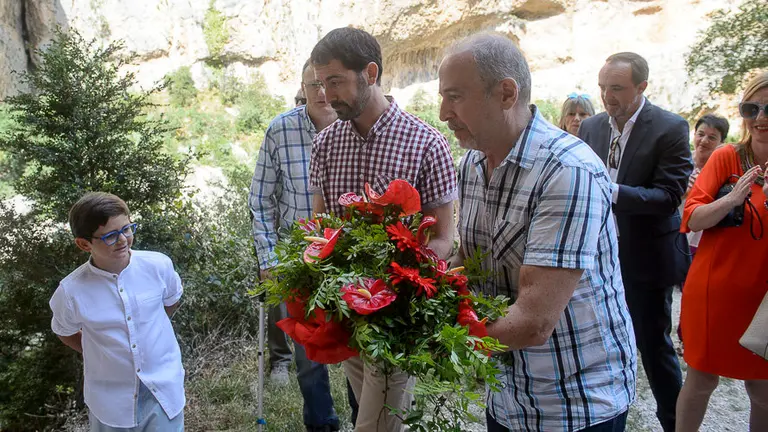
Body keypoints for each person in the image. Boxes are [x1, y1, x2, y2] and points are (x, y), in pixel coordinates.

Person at [439, 33, 636, 431]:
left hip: (575, 404)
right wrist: (409, 288)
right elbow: (470, 261)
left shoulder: (567, 170)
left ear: (506, 94)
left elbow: (533, 323)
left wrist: (427, 336)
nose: (443, 112)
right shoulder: (473, 165)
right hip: (508, 397)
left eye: (455, 96)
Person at [309, 27, 458, 432]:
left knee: (375, 424)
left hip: (397, 318)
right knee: (377, 416)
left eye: (335, 81)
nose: (326, 94)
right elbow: (319, 227)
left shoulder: (427, 143)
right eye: (321, 83)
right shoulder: (325, 144)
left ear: (370, 72)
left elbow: (444, 238)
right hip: (346, 310)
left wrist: (404, 280)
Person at [578, 52, 692, 432]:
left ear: (642, 87)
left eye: (616, 88)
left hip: (644, 259)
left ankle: (674, 423)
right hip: (594, 256)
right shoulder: (592, 127)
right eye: (602, 87)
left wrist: (612, 191)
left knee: (653, 348)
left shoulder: (670, 127)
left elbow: (669, 198)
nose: (607, 96)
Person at [248, 60, 345, 432]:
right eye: (313, 84)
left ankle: (366, 417)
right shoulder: (281, 129)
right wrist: (268, 257)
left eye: (328, 83)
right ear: (302, 87)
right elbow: (260, 200)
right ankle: (323, 424)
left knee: (358, 352)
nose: (322, 92)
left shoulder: (355, 128)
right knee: (308, 354)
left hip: (347, 254)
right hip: (296, 255)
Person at [676, 71, 768, 432]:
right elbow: (691, 218)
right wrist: (731, 198)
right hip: (714, 291)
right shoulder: (726, 156)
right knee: (701, 382)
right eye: (751, 108)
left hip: (761, 299)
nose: (760, 118)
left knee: (762, 389)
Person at [49, 192, 184, 431]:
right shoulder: (71, 292)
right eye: (110, 236)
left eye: (127, 229)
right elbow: (64, 330)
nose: (122, 239)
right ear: (84, 243)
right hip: (110, 401)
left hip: (164, 389)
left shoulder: (158, 265)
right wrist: (97, 350)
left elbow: (170, 302)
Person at [685, 114, 730, 252]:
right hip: (671, 233)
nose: (704, 141)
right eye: (701, 134)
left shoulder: (724, 171)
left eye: (712, 137)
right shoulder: (679, 162)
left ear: (721, 143)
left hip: (701, 240)